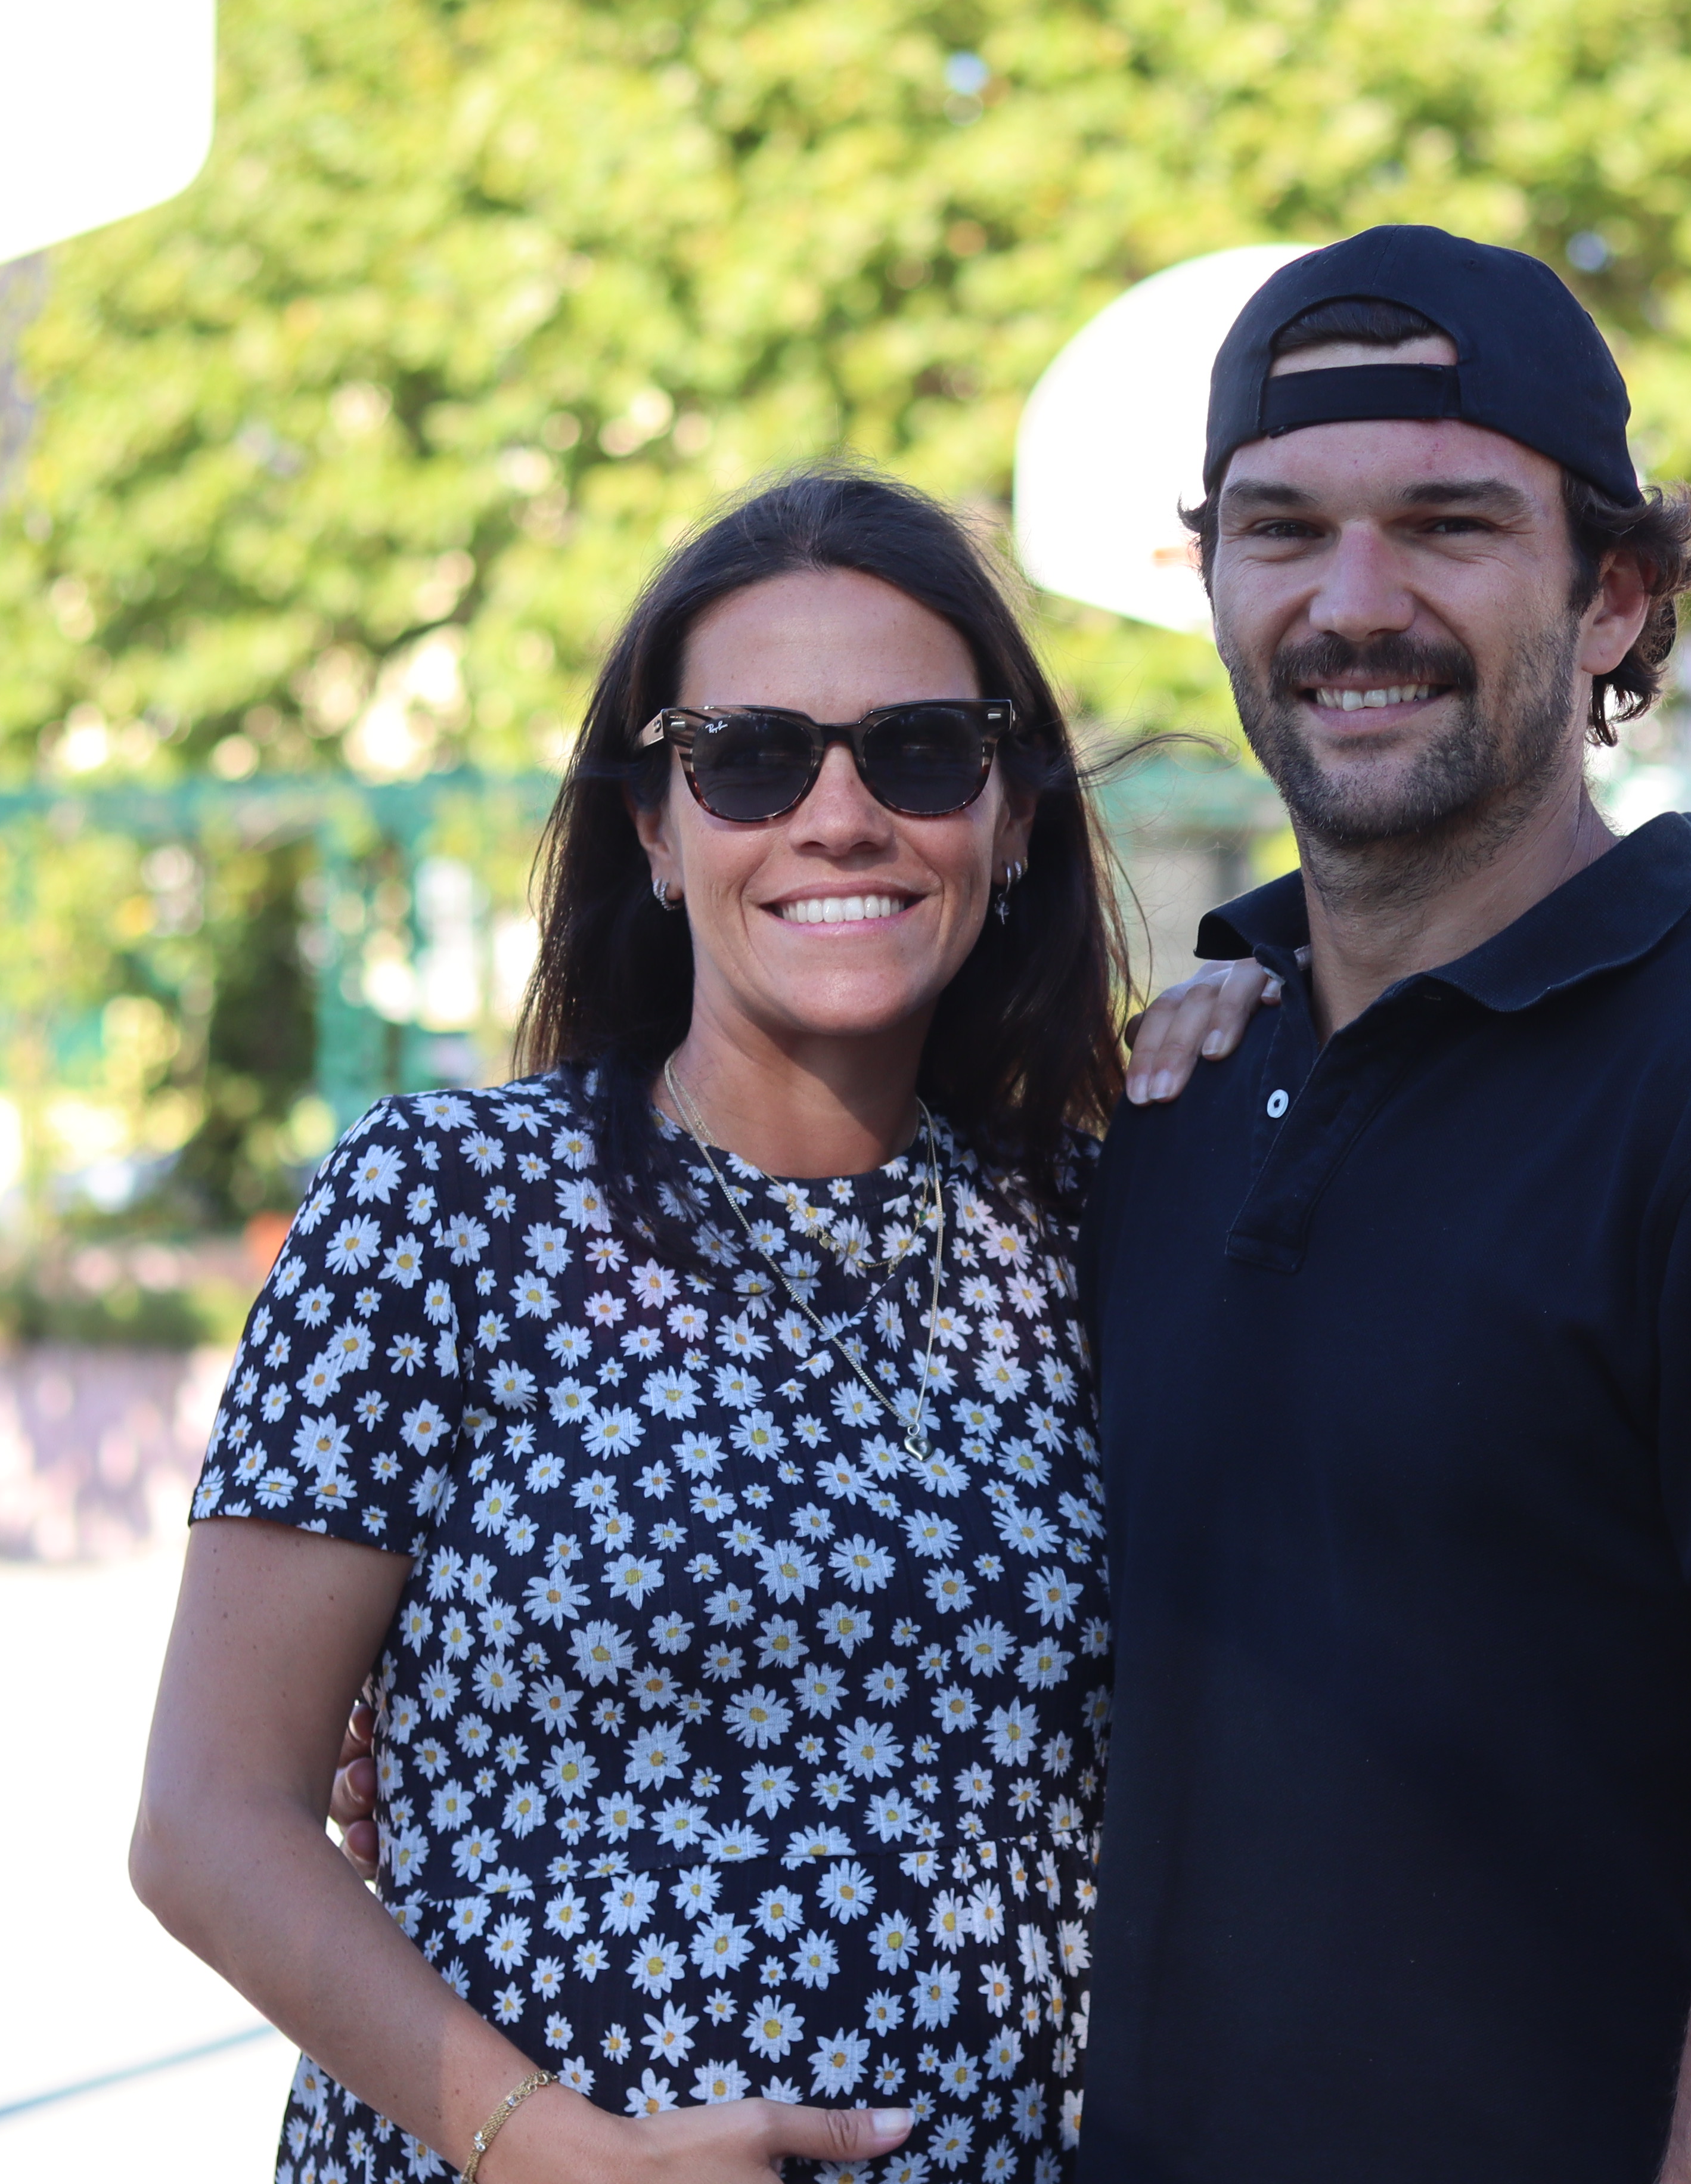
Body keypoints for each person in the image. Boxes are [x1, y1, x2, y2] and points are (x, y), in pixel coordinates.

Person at [131, 466, 1262, 2184]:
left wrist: (1285, 1001)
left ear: (1014, 815)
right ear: (657, 830)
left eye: (921, 752)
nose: (839, 815)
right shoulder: (446, 1207)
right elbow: (212, 1820)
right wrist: (554, 2150)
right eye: (749, 759)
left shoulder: (1102, 1230)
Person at [1071, 226, 1691, 2184]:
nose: (1355, 603)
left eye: (1448, 525)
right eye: (1282, 530)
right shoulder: (1186, 1088)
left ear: (1614, 597)